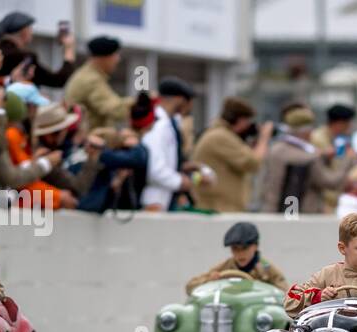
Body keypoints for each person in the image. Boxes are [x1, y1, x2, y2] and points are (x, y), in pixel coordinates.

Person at [258, 104, 351, 214]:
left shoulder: (274, 150)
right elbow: (330, 182)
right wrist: (347, 161)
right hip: (302, 215)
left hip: (271, 211)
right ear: (307, 131)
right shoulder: (309, 157)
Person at [190, 97, 272, 213]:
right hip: (219, 209)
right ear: (240, 120)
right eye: (247, 121)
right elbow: (253, 163)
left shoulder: (221, 135)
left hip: (222, 208)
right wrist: (264, 139)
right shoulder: (221, 137)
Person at [185, 222, 288, 294]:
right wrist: (209, 280)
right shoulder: (225, 267)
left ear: (255, 246)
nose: (240, 254)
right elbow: (190, 287)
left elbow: (284, 293)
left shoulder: (266, 268)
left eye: (245, 248)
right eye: (235, 249)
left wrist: (264, 289)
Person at [141, 78, 196, 211]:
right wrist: (181, 182)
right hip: (155, 200)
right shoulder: (158, 125)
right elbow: (155, 169)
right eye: (188, 101)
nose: (190, 106)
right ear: (179, 99)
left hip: (165, 197)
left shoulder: (169, 124)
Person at [64, 36, 133, 131]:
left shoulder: (88, 75)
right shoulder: (91, 80)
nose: (117, 60)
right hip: (87, 141)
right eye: (115, 55)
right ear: (104, 58)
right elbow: (116, 110)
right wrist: (139, 103)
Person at [0, 12, 76, 90]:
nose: (31, 32)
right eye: (30, 28)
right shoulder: (25, 58)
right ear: (24, 31)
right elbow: (58, 80)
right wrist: (68, 50)